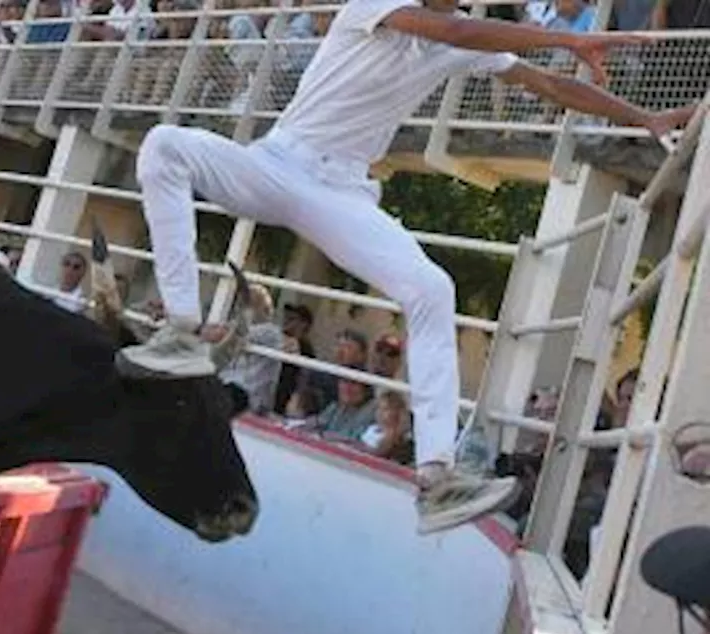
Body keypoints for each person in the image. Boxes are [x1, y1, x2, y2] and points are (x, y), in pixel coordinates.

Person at [115, 0, 697, 535]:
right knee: (165, 144)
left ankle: (437, 477)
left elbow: (543, 84)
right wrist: (566, 40)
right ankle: (183, 331)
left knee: (431, 288)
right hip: (276, 163)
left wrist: (643, 117)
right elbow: (460, 29)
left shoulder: (458, 39)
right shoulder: (378, 5)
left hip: (340, 192)